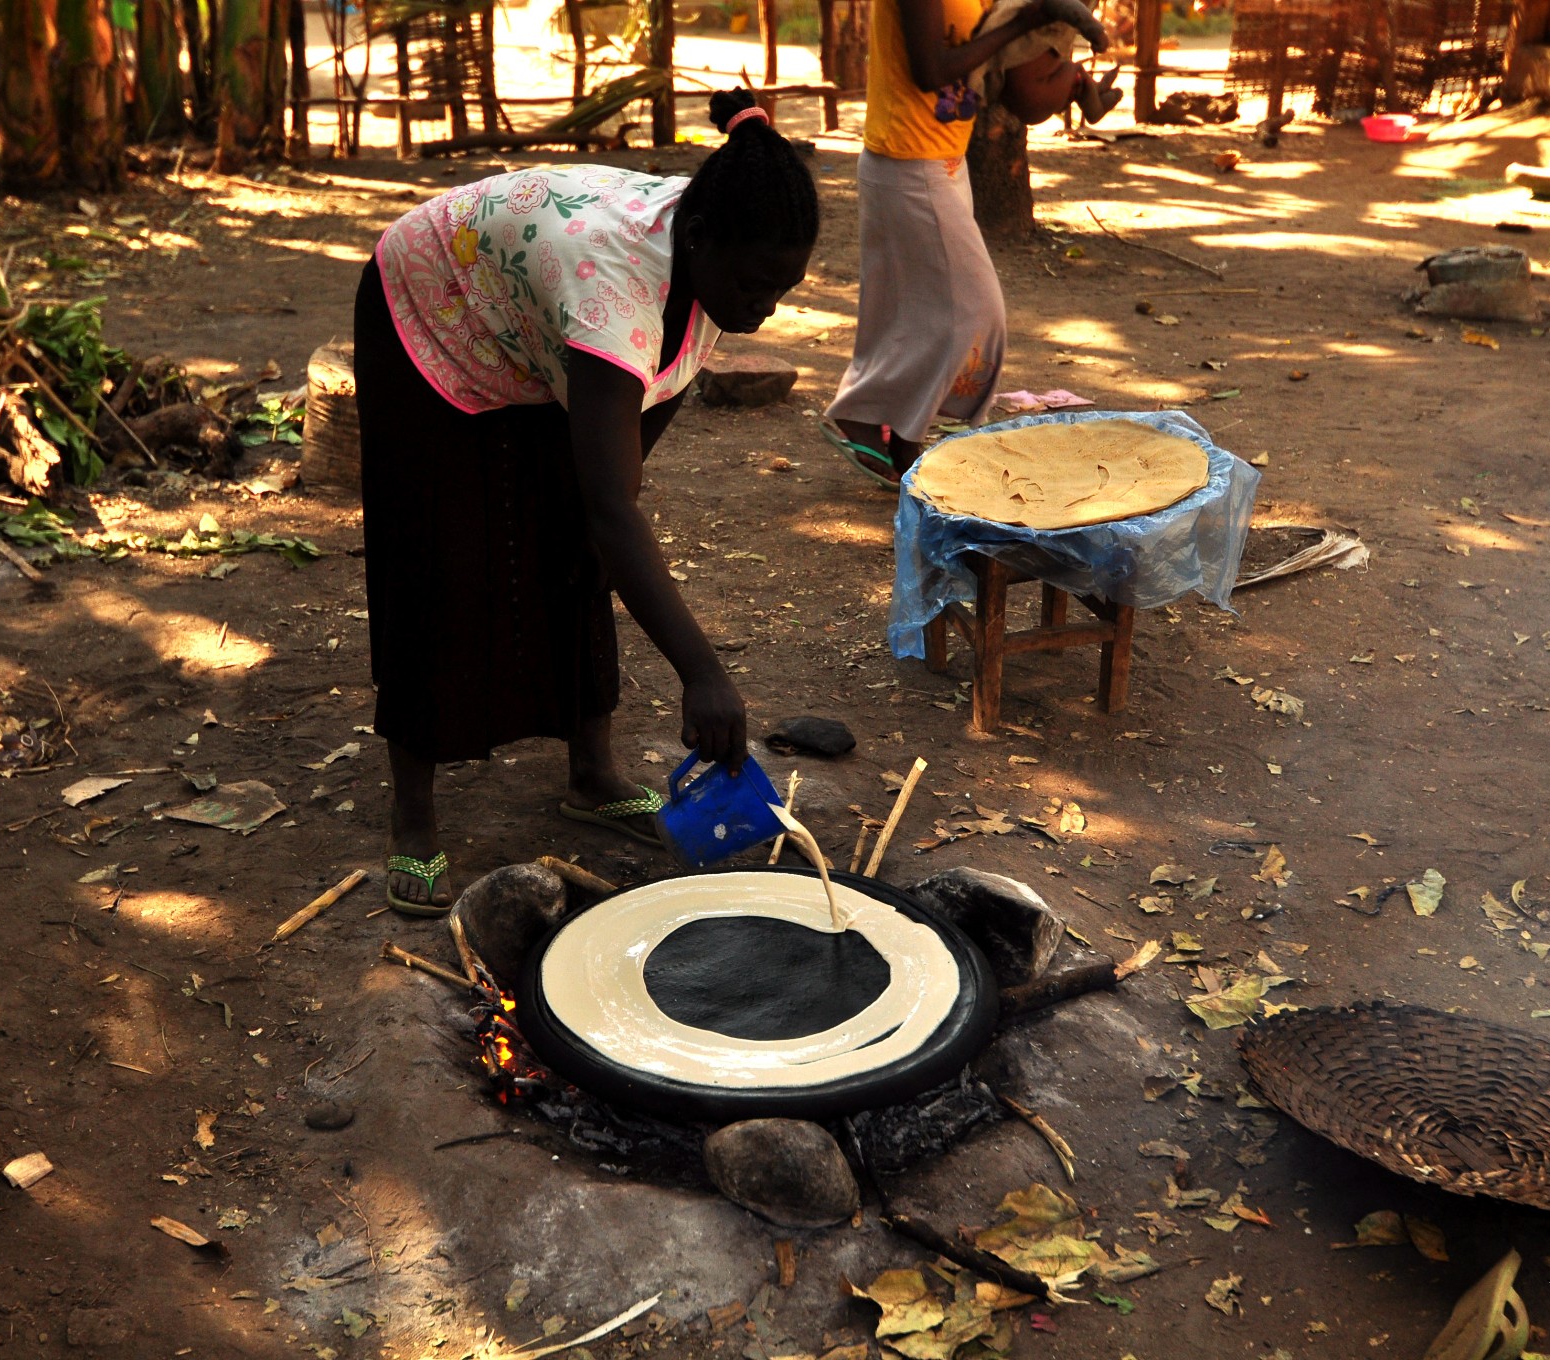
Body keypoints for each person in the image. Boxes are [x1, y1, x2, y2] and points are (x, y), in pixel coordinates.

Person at [355, 91, 820, 915]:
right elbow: (615, 507)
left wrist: (597, 522)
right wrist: (702, 676)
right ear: (703, 241)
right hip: (428, 303)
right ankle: (414, 815)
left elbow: (631, 447)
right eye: (756, 287)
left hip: (526, 324)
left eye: (782, 290)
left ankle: (592, 774)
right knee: (439, 561)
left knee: (573, 545)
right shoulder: (615, 288)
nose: (765, 309)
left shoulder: (716, 263)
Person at [823, 0, 1108, 489]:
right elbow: (930, 70)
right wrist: (1025, 22)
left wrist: (1067, 72)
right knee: (976, 311)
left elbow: (1000, 72)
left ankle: (900, 434)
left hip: (941, 159)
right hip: (908, 162)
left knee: (906, 308)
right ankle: (865, 418)